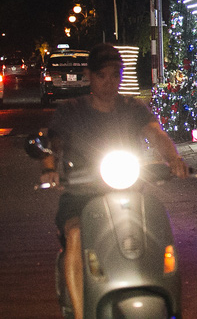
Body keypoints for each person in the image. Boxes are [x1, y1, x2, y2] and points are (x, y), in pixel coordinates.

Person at [38, 43, 188, 319]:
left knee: (158, 228)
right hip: (82, 194)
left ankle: (165, 297)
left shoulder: (132, 108)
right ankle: (83, 312)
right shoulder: (71, 110)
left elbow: (156, 134)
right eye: (102, 75)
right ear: (89, 75)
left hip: (128, 190)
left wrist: (173, 158)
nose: (110, 82)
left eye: (115, 75)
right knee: (76, 235)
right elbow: (53, 145)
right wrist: (50, 168)